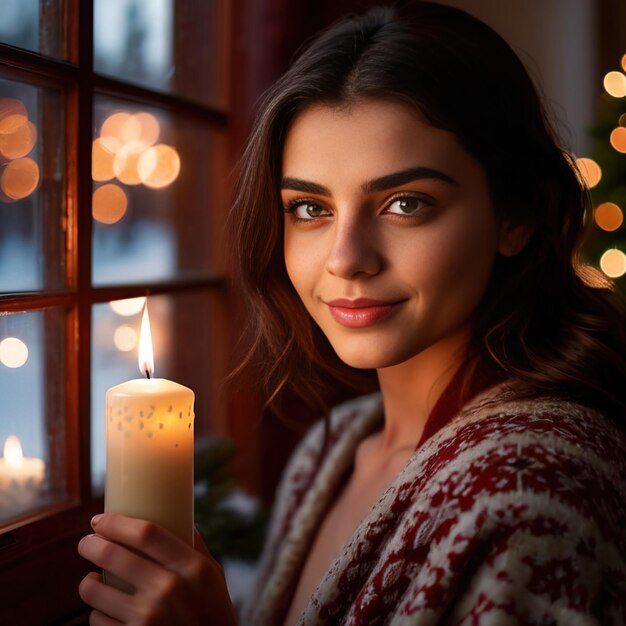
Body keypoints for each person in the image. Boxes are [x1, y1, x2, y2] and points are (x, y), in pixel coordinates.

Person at [78, 2, 626, 624]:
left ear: (519, 214)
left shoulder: (534, 487)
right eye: (310, 209)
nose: (346, 260)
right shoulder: (332, 451)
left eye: (406, 203)